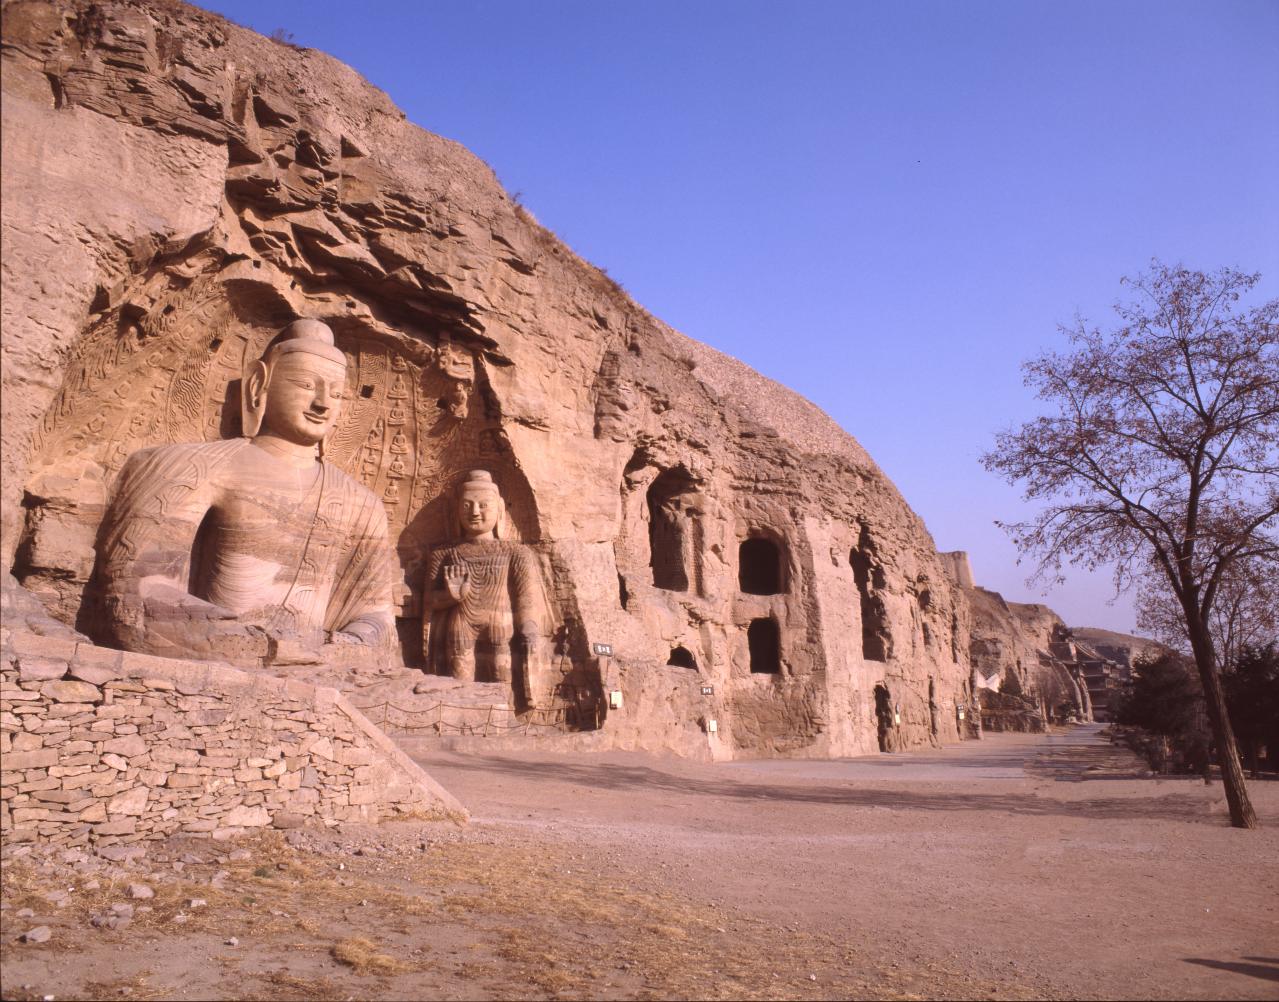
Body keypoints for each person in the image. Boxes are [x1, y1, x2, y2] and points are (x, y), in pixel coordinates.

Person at [93, 319, 394, 664]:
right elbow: (139, 590)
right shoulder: (199, 465)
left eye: (337, 394)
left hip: (320, 663)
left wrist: (346, 646)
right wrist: (258, 647)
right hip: (224, 655)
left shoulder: (362, 502)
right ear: (258, 384)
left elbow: (378, 617)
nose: (324, 403)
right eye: (306, 385)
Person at [422, 470, 546, 705]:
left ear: (499, 509)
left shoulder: (516, 552)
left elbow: (525, 598)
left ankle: (502, 720)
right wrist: (450, 596)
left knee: (503, 685)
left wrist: (529, 628)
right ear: (456, 510)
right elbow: (429, 602)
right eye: (467, 505)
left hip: (501, 624)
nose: (475, 512)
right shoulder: (444, 554)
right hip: (460, 625)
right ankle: (464, 720)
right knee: (460, 687)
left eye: (483, 505)